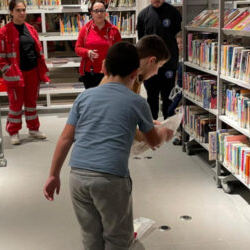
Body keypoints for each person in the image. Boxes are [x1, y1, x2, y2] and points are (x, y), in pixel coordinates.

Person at [43, 42, 174, 250]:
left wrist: (53, 175)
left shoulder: (84, 97)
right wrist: (165, 132)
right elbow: (153, 141)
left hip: (77, 176)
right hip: (111, 179)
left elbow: (66, 138)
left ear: (104, 68)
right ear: (134, 73)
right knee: (117, 238)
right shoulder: (137, 102)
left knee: (90, 235)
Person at [0, 0, 49, 145]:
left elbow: (37, 50)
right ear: (11, 12)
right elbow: (0, 57)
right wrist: (8, 71)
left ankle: (33, 129)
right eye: (18, 10)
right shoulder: (3, 32)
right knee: (16, 104)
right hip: (15, 73)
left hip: (32, 71)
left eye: (24, 10)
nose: (22, 13)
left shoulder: (31, 29)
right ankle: (13, 131)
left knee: (31, 102)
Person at [100, 34, 170, 142]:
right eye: (159, 66)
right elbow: (119, 120)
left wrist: (145, 122)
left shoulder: (136, 77)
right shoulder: (125, 79)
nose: (156, 72)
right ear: (151, 60)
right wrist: (150, 136)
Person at [137, 0, 182, 120]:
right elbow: (141, 41)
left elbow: (178, 35)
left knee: (168, 97)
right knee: (152, 97)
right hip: (149, 65)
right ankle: (152, 127)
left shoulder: (173, 12)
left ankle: (168, 127)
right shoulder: (142, 15)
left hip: (168, 64)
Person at [75, 0, 122, 89]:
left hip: (109, 73)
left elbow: (120, 51)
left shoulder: (114, 30)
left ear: (105, 13)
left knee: (108, 101)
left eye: (102, 10)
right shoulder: (85, 30)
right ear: (91, 13)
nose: (99, 13)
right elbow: (78, 48)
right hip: (90, 73)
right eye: (96, 11)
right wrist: (87, 52)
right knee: (92, 101)